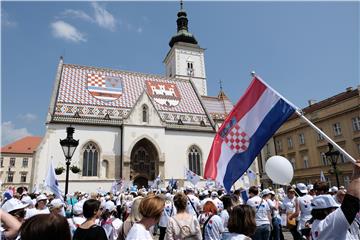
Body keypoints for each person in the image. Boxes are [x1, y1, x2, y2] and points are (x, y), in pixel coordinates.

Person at [310, 160, 360, 240]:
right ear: (326, 211)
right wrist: (357, 175)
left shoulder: (317, 224)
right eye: (334, 208)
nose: (337, 210)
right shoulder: (330, 224)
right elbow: (351, 203)